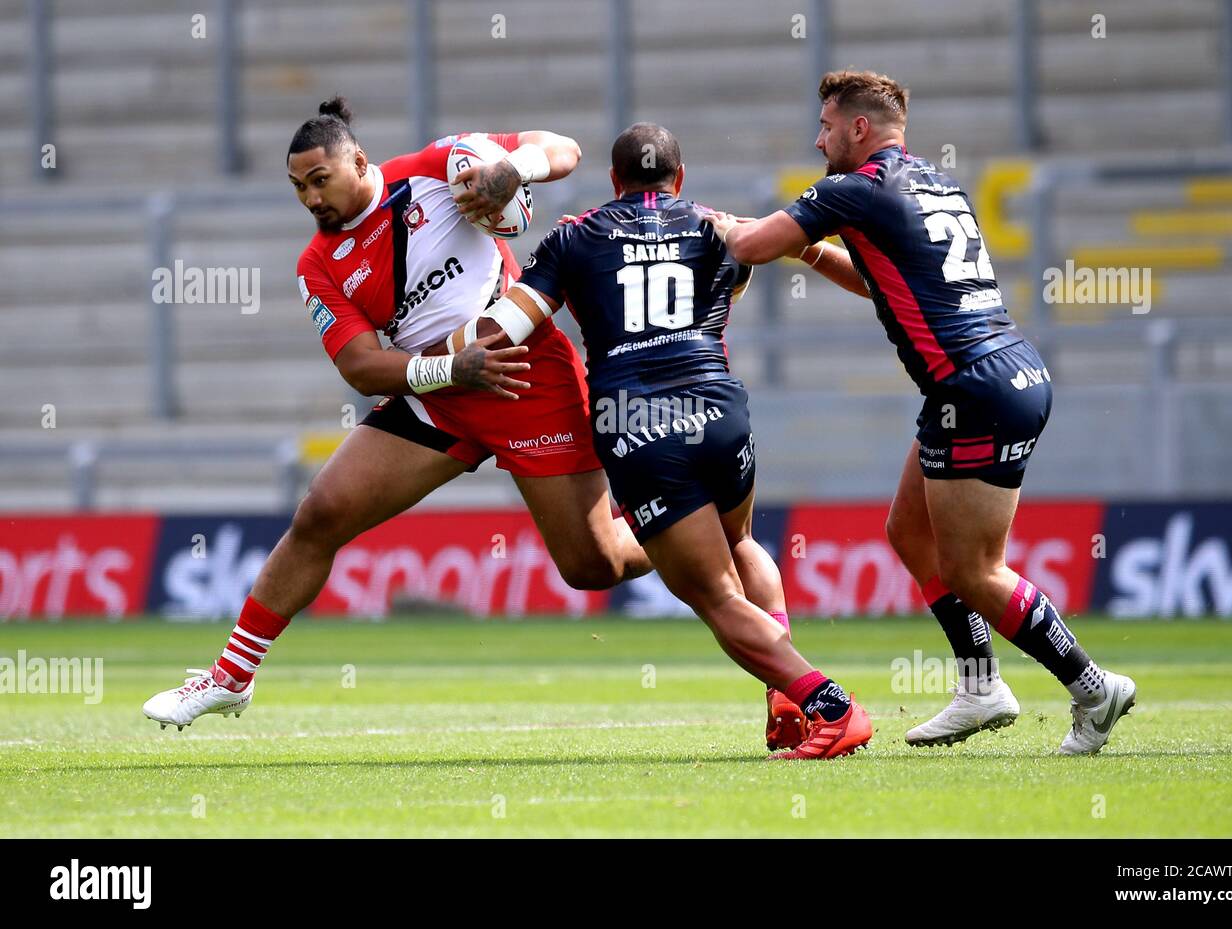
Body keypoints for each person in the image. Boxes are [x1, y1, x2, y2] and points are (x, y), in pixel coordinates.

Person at [143, 97, 653, 730]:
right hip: (437, 388)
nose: (310, 199)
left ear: (358, 161)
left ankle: (681, 521)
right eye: (298, 187)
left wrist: (513, 169)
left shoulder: (438, 166)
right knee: (322, 512)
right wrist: (448, 372)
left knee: (592, 566)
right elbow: (360, 367)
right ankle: (231, 676)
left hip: (523, 371)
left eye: (319, 180)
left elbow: (566, 149)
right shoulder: (317, 264)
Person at [706, 71, 1136, 755]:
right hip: (1000, 373)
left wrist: (723, 226)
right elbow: (881, 284)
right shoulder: (934, 184)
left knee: (973, 569)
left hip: (975, 389)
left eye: (825, 125)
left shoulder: (855, 188)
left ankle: (1091, 686)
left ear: (858, 128)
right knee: (908, 530)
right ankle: (980, 686)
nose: (817, 139)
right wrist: (812, 248)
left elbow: (749, 247)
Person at [431, 122, 873, 760]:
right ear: (680, 177)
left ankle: (826, 705)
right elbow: (754, 278)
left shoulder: (575, 238)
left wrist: (421, 362)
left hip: (639, 427)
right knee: (740, 542)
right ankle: (784, 703)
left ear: (614, 181)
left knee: (715, 596)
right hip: (720, 412)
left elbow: (504, 330)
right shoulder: (718, 228)